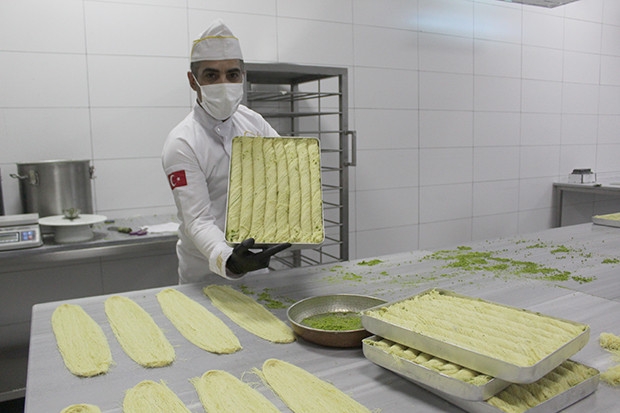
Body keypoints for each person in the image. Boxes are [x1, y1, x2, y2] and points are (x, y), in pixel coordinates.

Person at [162, 19, 290, 284]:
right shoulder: (182, 142)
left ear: (242, 76)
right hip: (206, 274)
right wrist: (229, 260)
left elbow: (286, 169)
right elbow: (198, 220)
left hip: (256, 267)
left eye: (232, 75)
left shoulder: (253, 122)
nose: (223, 83)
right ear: (193, 81)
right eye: (211, 75)